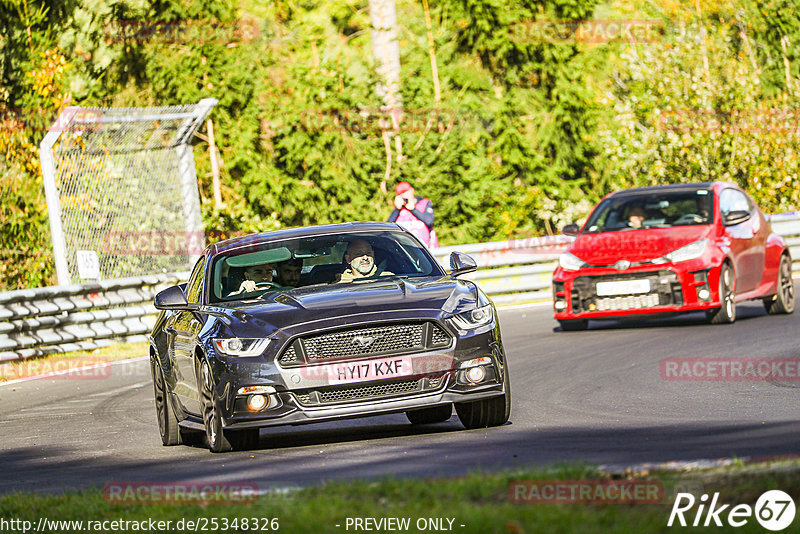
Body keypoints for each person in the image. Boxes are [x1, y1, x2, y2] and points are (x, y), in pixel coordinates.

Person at [387, 181, 438, 248]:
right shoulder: (399, 210)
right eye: (401, 194)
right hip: (406, 250)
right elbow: (387, 227)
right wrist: (397, 210)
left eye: (406, 192)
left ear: (412, 190)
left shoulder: (423, 203)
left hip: (425, 249)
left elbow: (429, 221)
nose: (404, 195)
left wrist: (413, 209)